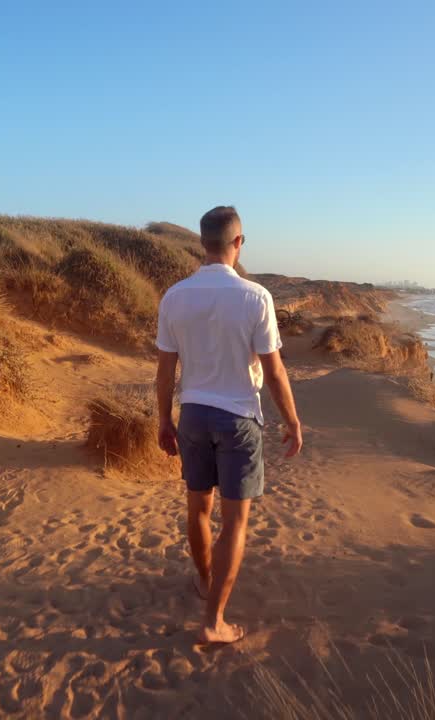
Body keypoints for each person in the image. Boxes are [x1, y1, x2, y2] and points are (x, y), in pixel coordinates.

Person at [154, 205, 303, 644]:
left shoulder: (175, 297)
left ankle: (205, 581)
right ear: (239, 243)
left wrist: (164, 419)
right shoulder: (256, 297)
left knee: (198, 508)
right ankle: (214, 621)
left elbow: (165, 371)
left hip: (193, 414)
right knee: (234, 522)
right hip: (239, 417)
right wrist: (292, 421)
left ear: (202, 243)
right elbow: (274, 371)